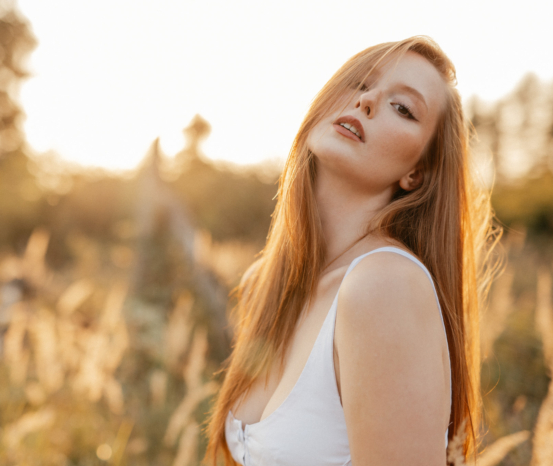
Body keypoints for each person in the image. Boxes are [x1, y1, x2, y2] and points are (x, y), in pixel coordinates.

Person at [204, 36, 500, 466]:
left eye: (403, 107)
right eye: (360, 83)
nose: (367, 100)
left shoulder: (385, 286)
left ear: (416, 173)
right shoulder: (266, 284)